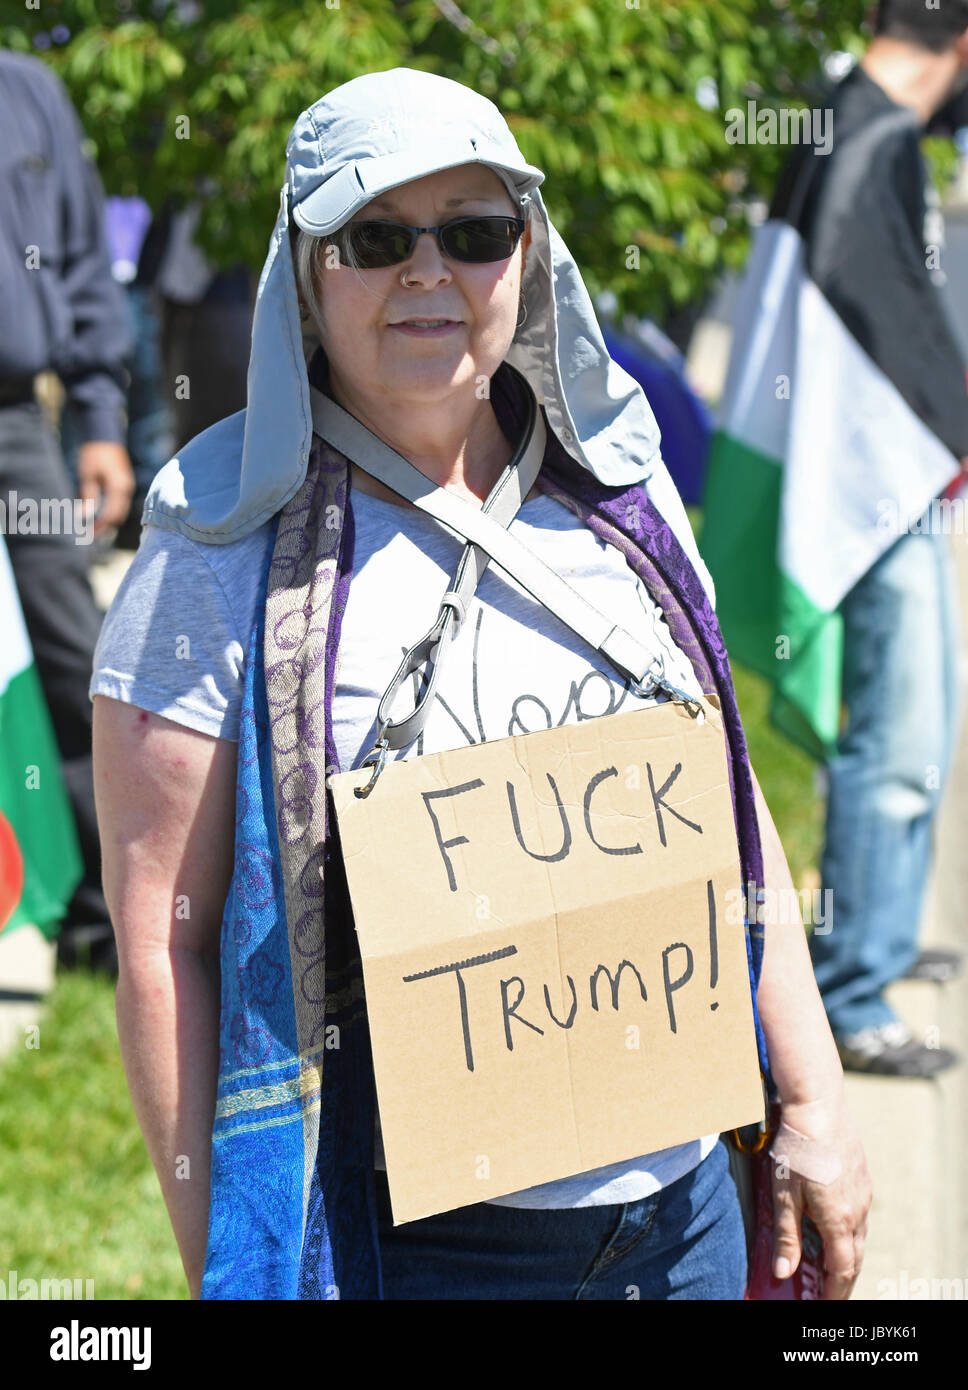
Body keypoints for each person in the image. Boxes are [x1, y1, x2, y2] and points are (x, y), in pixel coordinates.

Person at [90, 68, 869, 1301]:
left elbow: (724, 806)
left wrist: (814, 1099)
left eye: (472, 231)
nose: (426, 270)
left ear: (527, 253)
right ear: (303, 273)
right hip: (421, 1247)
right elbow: (160, 946)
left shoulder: (625, 496)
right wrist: (237, 1273)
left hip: (686, 1223)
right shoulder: (215, 549)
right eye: (375, 237)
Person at [0, 47, 135, 969]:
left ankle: (104, 924)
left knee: (77, 660)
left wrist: (98, 418)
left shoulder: (29, 89)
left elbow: (83, 259)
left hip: (17, 431)